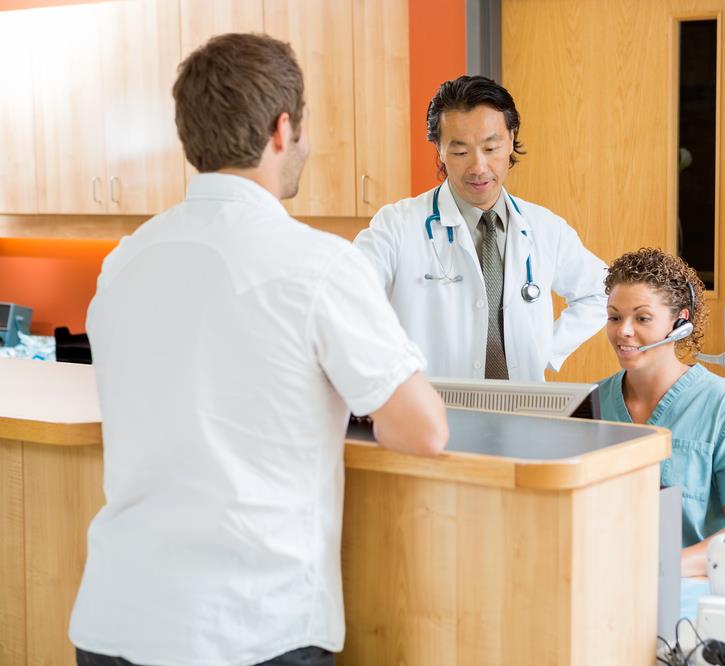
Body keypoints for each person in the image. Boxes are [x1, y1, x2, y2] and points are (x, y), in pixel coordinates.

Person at [69, 33, 448, 666]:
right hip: (249, 631)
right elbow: (422, 429)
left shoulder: (124, 263)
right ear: (282, 129)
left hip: (115, 623)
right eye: (302, 128)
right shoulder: (319, 263)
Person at [354, 75, 607, 381]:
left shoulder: (545, 228)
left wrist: (546, 349)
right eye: (460, 152)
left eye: (491, 148)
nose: (478, 167)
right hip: (436, 411)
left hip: (522, 411)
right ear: (439, 148)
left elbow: (601, 292)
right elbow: (348, 300)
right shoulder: (397, 226)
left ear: (511, 139)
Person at [597, 248, 725, 577]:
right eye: (614, 317)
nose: (623, 330)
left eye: (642, 318)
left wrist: (660, 568)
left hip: (690, 589)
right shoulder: (593, 403)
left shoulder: (723, 404)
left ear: (679, 323)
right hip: (605, 585)